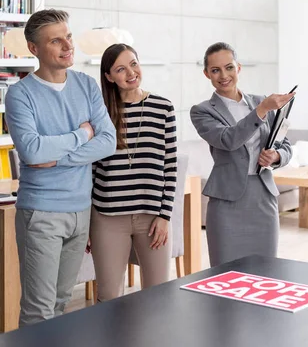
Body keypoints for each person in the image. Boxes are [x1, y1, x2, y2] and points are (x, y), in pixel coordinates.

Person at [5, 9, 116, 326]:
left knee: (60, 304)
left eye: (68, 37)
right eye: (56, 40)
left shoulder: (86, 85)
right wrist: (82, 134)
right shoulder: (20, 94)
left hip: (81, 209)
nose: (68, 46)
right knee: (38, 310)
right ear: (34, 48)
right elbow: (32, 150)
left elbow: (107, 141)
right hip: (41, 212)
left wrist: (58, 156)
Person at [190, 42, 293, 267]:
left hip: (263, 200)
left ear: (239, 68)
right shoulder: (202, 111)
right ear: (206, 73)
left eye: (229, 67)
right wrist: (262, 110)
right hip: (227, 203)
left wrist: (275, 157)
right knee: (225, 275)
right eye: (215, 70)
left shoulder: (260, 101)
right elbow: (229, 140)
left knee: (266, 273)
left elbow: (285, 145)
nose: (223, 75)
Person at [90, 43, 177, 301]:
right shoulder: (100, 112)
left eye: (134, 64)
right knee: (108, 298)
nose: (130, 73)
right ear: (108, 77)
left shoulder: (163, 108)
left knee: (158, 297)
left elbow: (169, 165)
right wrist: (86, 222)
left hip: (152, 219)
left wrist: (165, 215)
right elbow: (91, 169)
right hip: (107, 218)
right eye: (120, 69)